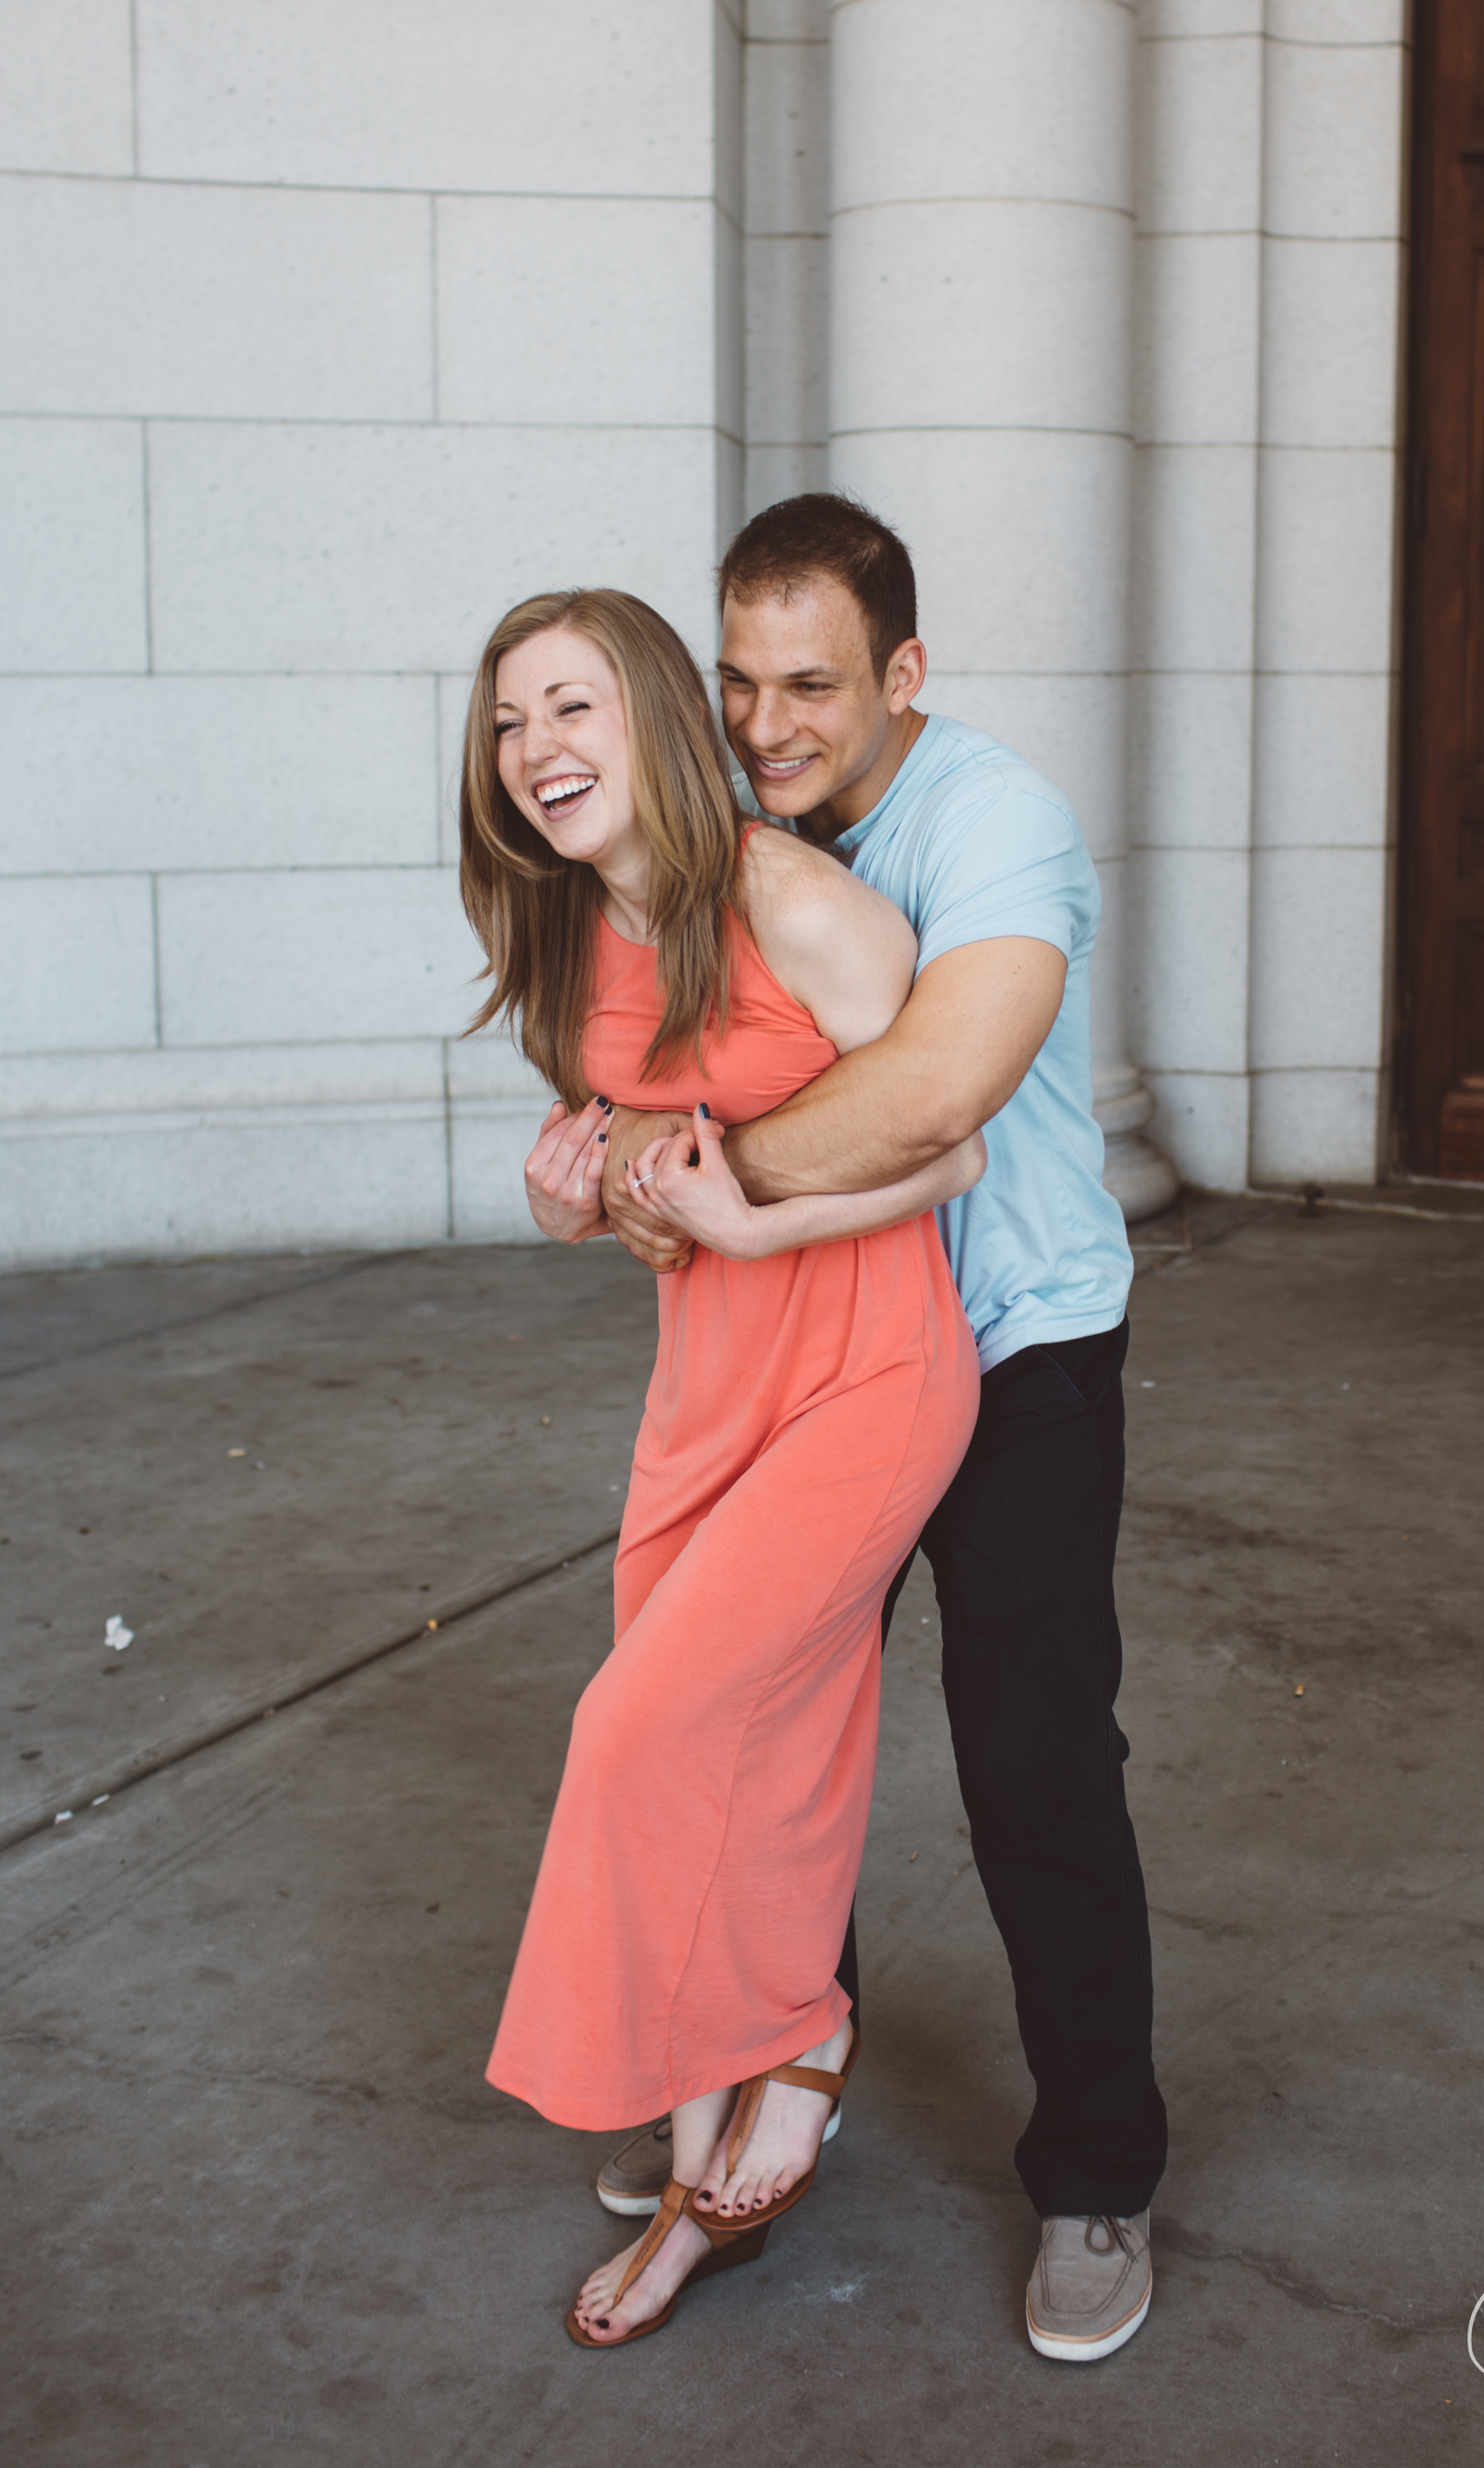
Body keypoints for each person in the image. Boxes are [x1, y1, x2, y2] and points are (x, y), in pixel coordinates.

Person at [594, 494, 1167, 2363]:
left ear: (902, 673)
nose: (762, 722)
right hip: (800, 1352)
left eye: (812, 683)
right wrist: (608, 1161)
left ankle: (1093, 2173)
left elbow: (939, 1081)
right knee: (765, 1734)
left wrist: (690, 1179)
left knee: (1030, 1765)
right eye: (737, 677)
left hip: (1010, 1353)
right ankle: (764, 2095)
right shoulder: (726, 831)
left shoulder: (991, 818)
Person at [465, 584, 983, 2348]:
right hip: (703, 1393)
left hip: (865, 1371)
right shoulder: (569, 937)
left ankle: (803, 2032)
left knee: (638, 1724)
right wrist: (566, 1204)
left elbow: (947, 1139)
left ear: (661, 721)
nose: (538, 747)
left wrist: (757, 1232)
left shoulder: (793, 898)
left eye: (572, 705)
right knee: (727, 1762)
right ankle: (700, 2187)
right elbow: (635, 1173)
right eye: (511, 720)